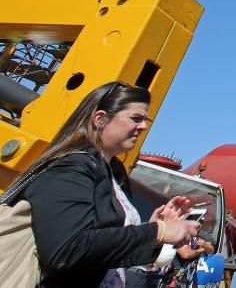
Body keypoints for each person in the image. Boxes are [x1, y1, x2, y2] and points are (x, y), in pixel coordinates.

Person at [17, 81, 200, 288]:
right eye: (136, 118)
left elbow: (104, 248)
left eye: (145, 120)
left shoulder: (112, 173)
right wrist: (157, 231)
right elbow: (66, 250)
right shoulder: (72, 167)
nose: (144, 126)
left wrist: (153, 230)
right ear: (100, 118)